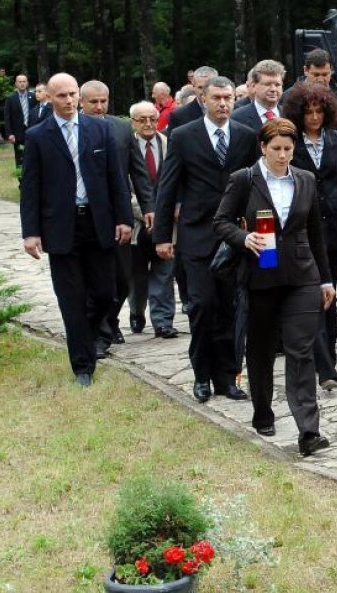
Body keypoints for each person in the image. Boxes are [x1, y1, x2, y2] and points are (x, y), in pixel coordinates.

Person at [214, 118, 335, 456]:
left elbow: (315, 234)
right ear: (263, 148)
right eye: (276, 149)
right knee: (262, 347)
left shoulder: (306, 180)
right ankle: (263, 408)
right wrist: (243, 237)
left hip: (302, 275)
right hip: (261, 274)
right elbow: (220, 222)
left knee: (300, 350)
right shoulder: (244, 180)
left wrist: (326, 279)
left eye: (288, 149)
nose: (283, 155)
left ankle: (308, 431)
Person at [19, 73, 132, 386]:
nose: (68, 101)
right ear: (50, 98)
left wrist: (124, 218)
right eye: (61, 96)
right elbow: (30, 187)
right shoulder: (39, 135)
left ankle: (89, 334)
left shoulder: (100, 129)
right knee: (71, 299)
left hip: (98, 223)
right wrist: (31, 232)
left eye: (72, 95)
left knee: (105, 293)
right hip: (60, 227)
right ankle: (83, 366)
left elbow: (116, 179)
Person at [152, 75, 259, 404]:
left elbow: (255, 186)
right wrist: (162, 238)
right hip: (196, 235)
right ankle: (201, 376)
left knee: (230, 308)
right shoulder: (184, 136)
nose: (224, 103)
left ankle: (228, 377)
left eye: (228, 98)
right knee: (202, 307)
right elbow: (167, 187)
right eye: (217, 98)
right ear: (203, 99)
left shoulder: (245, 136)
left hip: (234, 237)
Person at [284, 82, 337, 392]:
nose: (315, 117)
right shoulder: (290, 142)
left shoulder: (336, 140)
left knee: (329, 292)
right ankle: (323, 366)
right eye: (309, 112)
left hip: (332, 228)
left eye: (319, 111)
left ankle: (327, 356)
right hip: (302, 227)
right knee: (311, 294)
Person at [80, 80, 151, 355]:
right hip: (86, 218)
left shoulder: (122, 128)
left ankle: (109, 320)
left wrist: (149, 206)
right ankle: (100, 333)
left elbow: (138, 171)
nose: (99, 107)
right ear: (81, 103)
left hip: (119, 217)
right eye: (93, 102)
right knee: (94, 280)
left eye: (103, 101)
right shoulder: (75, 130)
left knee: (122, 279)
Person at [128, 100, 178, 339]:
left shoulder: (170, 144)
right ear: (133, 123)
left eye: (152, 118)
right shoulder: (125, 147)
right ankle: (136, 311)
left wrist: (166, 212)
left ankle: (163, 322)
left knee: (164, 272)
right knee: (136, 275)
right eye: (142, 119)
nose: (148, 124)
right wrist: (145, 211)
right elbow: (121, 188)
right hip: (137, 224)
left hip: (167, 223)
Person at [232, 60, 285, 130]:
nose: (273, 89)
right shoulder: (237, 118)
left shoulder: (290, 115)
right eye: (267, 84)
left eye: (277, 85)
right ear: (254, 86)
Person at [166, 66, 217, 135]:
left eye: (208, 87)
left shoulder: (229, 112)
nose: (204, 92)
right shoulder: (178, 116)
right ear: (193, 86)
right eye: (200, 87)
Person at [3, 73, 34, 173]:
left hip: (32, 132)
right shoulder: (10, 99)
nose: (22, 84)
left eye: (24, 81)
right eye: (19, 82)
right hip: (18, 134)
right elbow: (7, 118)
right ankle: (21, 181)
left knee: (33, 156)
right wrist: (9, 134)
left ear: (27, 83)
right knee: (20, 158)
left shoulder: (33, 97)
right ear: (16, 84)